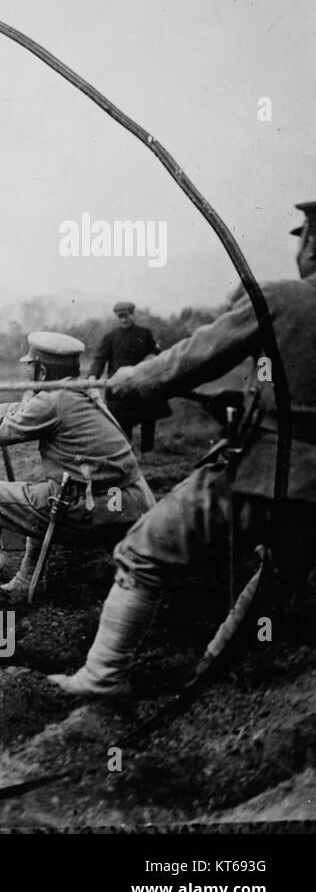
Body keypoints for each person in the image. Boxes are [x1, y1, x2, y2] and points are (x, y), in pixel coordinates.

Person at [50, 202, 316, 698]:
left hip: (266, 472)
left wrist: (131, 383)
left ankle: (102, 676)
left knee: (142, 550)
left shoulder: (280, 299)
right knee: (280, 571)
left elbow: (189, 359)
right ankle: (215, 672)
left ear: (312, 243)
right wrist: (245, 402)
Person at [0, 332, 156, 605]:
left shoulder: (54, 401)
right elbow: (22, 410)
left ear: (42, 369)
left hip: (96, 509)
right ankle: (26, 580)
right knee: (42, 493)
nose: (26, 370)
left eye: (29, 365)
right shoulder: (78, 391)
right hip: (131, 505)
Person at [89, 302, 170, 451]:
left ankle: (148, 451)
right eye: (121, 317)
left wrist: (155, 358)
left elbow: (155, 353)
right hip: (120, 389)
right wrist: (93, 375)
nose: (124, 320)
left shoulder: (145, 334)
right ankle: (126, 453)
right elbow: (99, 359)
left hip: (142, 386)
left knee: (148, 418)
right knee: (122, 423)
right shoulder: (110, 337)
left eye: (126, 316)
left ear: (133, 315)